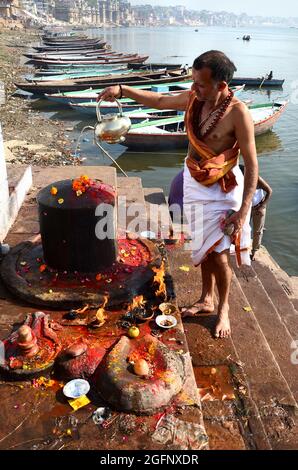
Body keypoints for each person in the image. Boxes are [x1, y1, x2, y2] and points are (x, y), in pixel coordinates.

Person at [97, 50, 258, 338]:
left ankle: (223, 309)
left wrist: (244, 211)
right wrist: (122, 89)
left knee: (219, 255)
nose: (194, 88)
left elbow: (253, 165)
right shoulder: (195, 99)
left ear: (221, 85)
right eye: (193, 82)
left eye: (201, 84)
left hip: (223, 191)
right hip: (195, 184)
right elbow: (158, 100)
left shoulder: (238, 113)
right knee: (204, 249)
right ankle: (206, 298)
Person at [239, 165, 272, 260]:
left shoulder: (256, 179)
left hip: (259, 206)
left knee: (257, 231)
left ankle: (254, 252)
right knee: (245, 227)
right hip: (247, 207)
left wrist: (261, 206)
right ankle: (242, 247)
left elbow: (269, 191)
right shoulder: (240, 181)